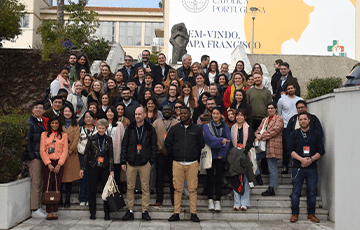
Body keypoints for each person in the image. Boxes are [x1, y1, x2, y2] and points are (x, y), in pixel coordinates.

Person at [165, 107, 205, 222]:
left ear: (190, 114)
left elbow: (201, 144)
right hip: (177, 163)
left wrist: (192, 152)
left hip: (192, 163)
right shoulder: (174, 129)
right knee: (177, 189)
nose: (182, 115)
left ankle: (193, 213)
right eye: (181, 113)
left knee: (192, 189)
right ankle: (176, 213)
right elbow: (167, 143)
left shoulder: (196, 129)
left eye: (184, 113)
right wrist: (176, 151)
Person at [120, 107, 157, 221]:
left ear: (144, 115)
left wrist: (151, 161)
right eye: (136, 114)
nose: (137, 116)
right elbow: (124, 145)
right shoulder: (130, 128)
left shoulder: (149, 128)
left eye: (139, 114)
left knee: (145, 188)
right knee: (130, 187)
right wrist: (123, 161)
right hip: (131, 162)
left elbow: (153, 146)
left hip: (145, 162)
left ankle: (144, 211)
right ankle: (130, 210)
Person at [288, 112, 325, 223]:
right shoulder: (293, 134)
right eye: (301, 119)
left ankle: (311, 214)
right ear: (299, 121)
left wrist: (311, 160)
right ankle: (295, 213)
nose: (302, 121)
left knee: (312, 192)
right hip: (297, 168)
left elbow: (321, 151)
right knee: (295, 192)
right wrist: (302, 160)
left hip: (312, 168)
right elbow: (290, 150)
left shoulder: (316, 134)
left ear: (309, 120)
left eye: (305, 119)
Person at [79, 119, 114, 220]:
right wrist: (82, 168)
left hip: (105, 167)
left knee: (106, 191)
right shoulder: (91, 138)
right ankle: (92, 213)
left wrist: (112, 170)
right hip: (93, 166)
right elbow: (86, 154)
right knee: (92, 190)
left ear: (106, 128)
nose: (101, 130)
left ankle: (107, 213)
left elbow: (111, 156)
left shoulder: (109, 139)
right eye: (99, 128)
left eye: (103, 128)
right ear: (97, 128)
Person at [40, 116, 68, 220]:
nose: (54, 125)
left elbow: (65, 151)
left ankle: (55, 211)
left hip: (59, 164)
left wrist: (59, 164)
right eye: (52, 123)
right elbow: (42, 150)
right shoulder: (44, 134)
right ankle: (48, 211)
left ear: (59, 124)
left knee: (57, 187)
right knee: (48, 187)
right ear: (49, 124)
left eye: (56, 123)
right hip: (47, 163)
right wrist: (49, 164)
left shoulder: (63, 135)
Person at [23, 101, 48, 218]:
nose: (38, 110)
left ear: (43, 111)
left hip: (40, 156)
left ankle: (38, 205)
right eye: (36, 108)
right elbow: (26, 141)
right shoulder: (29, 123)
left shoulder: (41, 123)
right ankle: (34, 209)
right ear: (33, 109)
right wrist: (31, 157)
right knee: (36, 183)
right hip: (34, 158)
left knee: (40, 182)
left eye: (41, 108)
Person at [203, 107, 231, 211]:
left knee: (219, 179)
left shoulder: (226, 127)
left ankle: (218, 201)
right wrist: (221, 141)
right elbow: (209, 140)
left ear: (221, 115)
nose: (215, 115)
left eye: (217, 113)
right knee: (209, 178)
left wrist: (222, 153)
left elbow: (228, 141)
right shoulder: (206, 126)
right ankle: (210, 200)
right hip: (210, 155)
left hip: (220, 156)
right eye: (213, 113)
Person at [255, 102, 284, 196]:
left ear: (276, 109)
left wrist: (261, 136)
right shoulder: (265, 119)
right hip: (263, 146)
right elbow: (258, 130)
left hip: (273, 146)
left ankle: (272, 188)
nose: (270, 110)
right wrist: (257, 135)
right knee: (252, 157)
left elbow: (275, 131)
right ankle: (257, 176)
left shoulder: (279, 119)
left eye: (272, 108)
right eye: (269, 108)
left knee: (272, 167)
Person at [152, 105, 179, 207]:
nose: (167, 111)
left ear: (172, 111)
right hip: (160, 154)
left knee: (174, 178)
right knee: (159, 178)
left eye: (169, 109)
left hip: (173, 154)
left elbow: (179, 138)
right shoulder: (156, 123)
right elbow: (153, 137)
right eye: (165, 110)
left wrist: (170, 149)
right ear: (161, 111)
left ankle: (174, 200)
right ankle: (159, 200)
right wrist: (161, 148)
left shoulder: (177, 123)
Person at [230, 109, 255, 211]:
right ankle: (236, 202)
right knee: (235, 178)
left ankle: (244, 203)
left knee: (245, 179)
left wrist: (244, 151)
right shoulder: (232, 127)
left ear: (245, 117)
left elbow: (250, 141)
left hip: (245, 154)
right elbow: (231, 141)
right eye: (237, 115)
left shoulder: (249, 128)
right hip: (235, 155)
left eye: (241, 115)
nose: (239, 117)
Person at [278, 83, 303, 174]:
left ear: (295, 89)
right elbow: (279, 113)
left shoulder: (300, 100)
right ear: (286, 90)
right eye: (288, 89)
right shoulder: (281, 100)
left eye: (292, 88)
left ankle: (297, 165)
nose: (290, 90)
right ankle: (285, 166)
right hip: (285, 127)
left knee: (298, 146)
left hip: (298, 126)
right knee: (286, 147)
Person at [60, 104, 81, 208]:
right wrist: (63, 153)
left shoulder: (75, 125)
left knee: (69, 178)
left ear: (72, 113)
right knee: (60, 177)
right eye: (65, 111)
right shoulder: (59, 124)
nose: (67, 113)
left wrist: (68, 152)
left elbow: (76, 140)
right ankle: (60, 200)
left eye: (69, 111)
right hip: (59, 154)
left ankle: (68, 199)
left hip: (71, 155)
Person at [77, 111, 97, 206]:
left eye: (90, 117)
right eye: (86, 117)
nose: (88, 119)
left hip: (93, 157)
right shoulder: (80, 129)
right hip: (82, 155)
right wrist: (85, 151)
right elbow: (78, 143)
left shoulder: (97, 129)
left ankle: (90, 198)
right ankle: (82, 198)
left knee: (92, 177)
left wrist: (91, 151)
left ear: (93, 119)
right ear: (84, 119)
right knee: (83, 177)